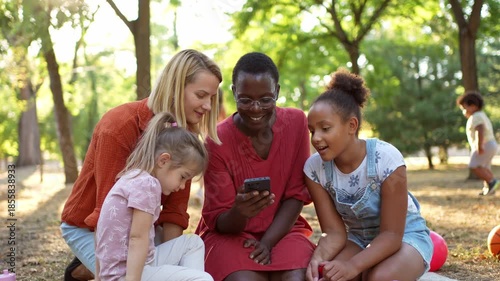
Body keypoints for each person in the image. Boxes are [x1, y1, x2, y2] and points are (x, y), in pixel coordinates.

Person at [60, 49, 222, 281]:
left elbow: (174, 213)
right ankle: (86, 267)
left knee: (186, 249)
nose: (207, 105)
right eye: (201, 95)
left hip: (142, 225)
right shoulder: (118, 126)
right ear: (176, 87)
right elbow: (107, 214)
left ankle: (84, 269)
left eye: (212, 98)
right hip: (93, 228)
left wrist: (171, 265)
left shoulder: (183, 141)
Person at [195, 52, 315, 281]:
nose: (256, 108)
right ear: (233, 93)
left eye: (266, 99)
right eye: (246, 99)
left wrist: (268, 242)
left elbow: (296, 195)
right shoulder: (216, 140)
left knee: (296, 277)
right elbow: (219, 219)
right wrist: (240, 212)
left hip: (283, 230)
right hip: (231, 234)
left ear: (277, 92)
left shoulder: (297, 123)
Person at [304, 69, 433, 281]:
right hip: (358, 239)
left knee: (378, 277)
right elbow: (335, 233)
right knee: (331, 277)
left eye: (325, 128)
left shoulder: (386, 158)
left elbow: (392, 235)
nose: (316, 138)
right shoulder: (314, 170)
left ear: (351, 126)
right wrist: (317, 259)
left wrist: (354, 266)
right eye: (312, 131)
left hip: (404, 236)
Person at [95, 112, 212, 281]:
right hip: (128, 274)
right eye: (183, 177)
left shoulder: (134, 177)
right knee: (203, 279)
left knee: (193, 243)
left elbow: (102, 230)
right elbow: (137, 238)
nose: (181, 186)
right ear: (163, 160)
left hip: (134, 265)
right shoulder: (148, 185)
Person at [456, 91, 499, 196]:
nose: (464, 112)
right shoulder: (481, 115)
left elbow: (480, 130)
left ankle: (492, 181)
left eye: (465, 108)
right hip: (491, 144)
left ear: (473, 106)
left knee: (474, 165)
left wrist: (479, 146)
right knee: (484, 167)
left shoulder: (476, 117)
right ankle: (489, 187)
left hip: (485, 144)